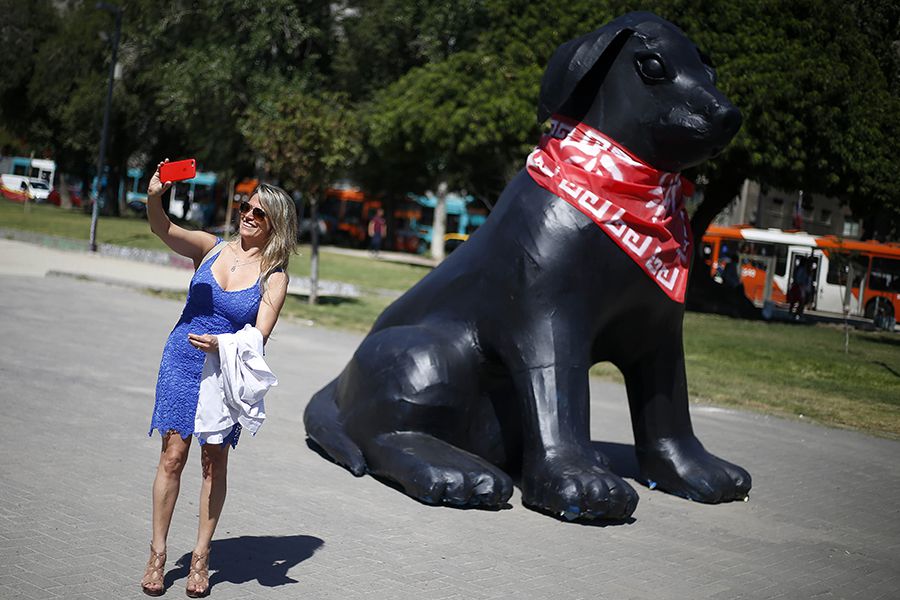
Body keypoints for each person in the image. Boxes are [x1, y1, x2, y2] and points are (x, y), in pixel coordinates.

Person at [140, 160, 297, 597]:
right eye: (246, 206)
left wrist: (223, 345)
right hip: (180, 360)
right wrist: (155, 195)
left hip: (223, 373)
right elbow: (163, 229)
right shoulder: (210, 248)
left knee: (213, 462)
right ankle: (157, 554)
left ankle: (201, 557)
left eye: (259, 212)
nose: (247, 215)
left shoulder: (275, 277)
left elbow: (259, 337)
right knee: (172, 456)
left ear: (275, 223)